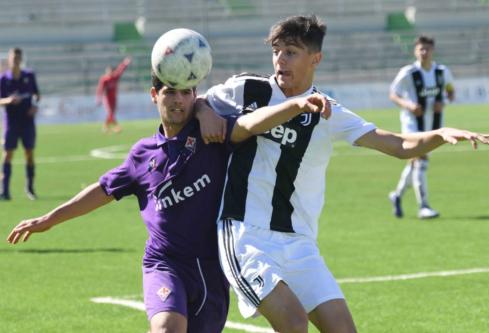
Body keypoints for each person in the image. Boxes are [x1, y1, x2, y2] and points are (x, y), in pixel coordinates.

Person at [196, 15, 489, 333]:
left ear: (316, 59)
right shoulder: (247, 90)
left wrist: (439, 133)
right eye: (277, 51)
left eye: (291, 51)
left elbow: (398, 143)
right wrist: (203, 111)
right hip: (245, 234)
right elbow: (196, 101)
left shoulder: (328, 112)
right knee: (294, 325)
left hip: (299, 242)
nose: (280, 59)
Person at [7, 66, 331, 332]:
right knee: (166, 328)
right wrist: (48, 220)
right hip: (165, 263)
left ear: (195, 95)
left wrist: (295, 106)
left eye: (186, 92)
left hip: (212, 269)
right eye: (169, 92)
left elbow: (248, 125)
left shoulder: (211, 133)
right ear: (154, 95)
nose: (178, 100)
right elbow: (101, 191)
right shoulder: (141, 155)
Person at [388, 35, 456, 219]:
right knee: (420, 161)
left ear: (433, 51)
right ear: (415, 51)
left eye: (427, 49)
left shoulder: (442, 72)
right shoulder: (408, 72)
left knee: (415, 163)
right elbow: (393, 94)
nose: (424, 53)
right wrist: (408, 105)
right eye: (421, 49)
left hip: (434, 125)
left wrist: (443, 102)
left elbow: (451, 93)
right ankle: (423, 206)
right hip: (412, 125)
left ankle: (397, 195)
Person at [0, 48, 40, 201]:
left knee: (29, 154)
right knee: (8, 154)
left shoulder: (29, 76)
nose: (16, 60)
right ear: (9, 59)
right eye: (13, 57)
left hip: (27, 122)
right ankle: (5, 190)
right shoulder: (4, 79)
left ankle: (30, 188)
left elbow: (37, 95)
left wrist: (35, 106)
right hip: (11, 122)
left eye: (18, 57)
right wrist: (8, 101)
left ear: (21, 59)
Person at [96, 56, 132, 133]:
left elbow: (120, 70)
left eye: (111, 71)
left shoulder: (115, 77)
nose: (109, 72)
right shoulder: (104, 79)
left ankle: (105, 127)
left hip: (114, 98)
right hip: (107, 98)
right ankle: (116, 126)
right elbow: (100, 89)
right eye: (108, 71)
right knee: (110, 113)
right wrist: (99, 99)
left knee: (112, 113)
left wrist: (125, 63)